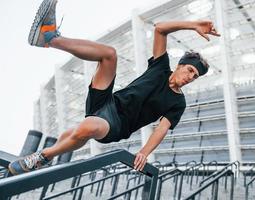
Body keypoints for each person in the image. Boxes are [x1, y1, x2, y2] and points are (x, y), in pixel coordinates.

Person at [8, 0, 220, 175]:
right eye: (191, 70)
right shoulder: (161, 67)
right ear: (181, 65)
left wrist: (144, 152)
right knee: (109, 54)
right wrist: (192, 25)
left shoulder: (178, 102)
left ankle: (42, 157)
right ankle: (49, 38)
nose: (191, 77)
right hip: (107, 101)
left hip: (117, 124)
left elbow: (161, 129)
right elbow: (160, 29)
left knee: (86, 128)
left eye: (196, 76)